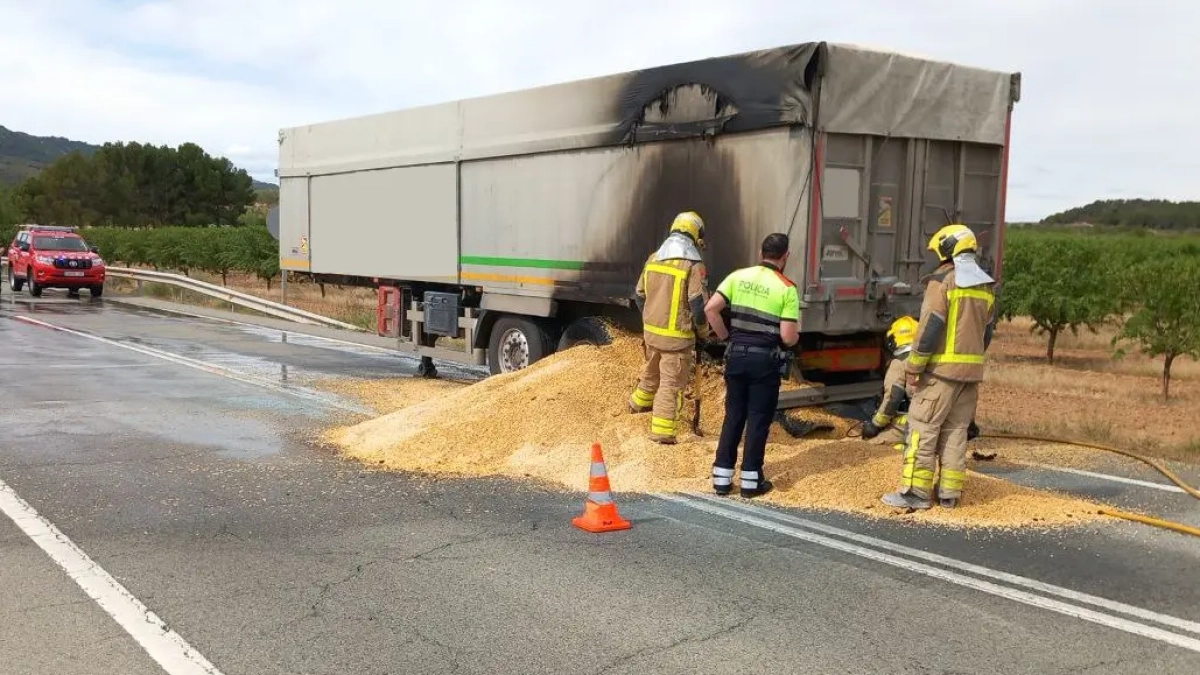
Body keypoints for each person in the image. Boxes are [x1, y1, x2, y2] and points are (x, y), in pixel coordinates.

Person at [882, 224, 996, 511]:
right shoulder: (985, 286)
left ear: (949, 248)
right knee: (956, 432)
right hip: (970, 376)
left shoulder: (944, 281)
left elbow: (930, 326)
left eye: (940, 252)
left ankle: (915, 493)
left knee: (921, 429)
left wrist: (914, 366)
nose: (939, 259)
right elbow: (987, 332)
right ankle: (949, 495)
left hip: (940, 373)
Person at [703, 233, 801, 498]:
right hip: (764, 361)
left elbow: (711, 308)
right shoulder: (787, 287)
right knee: (757, 419)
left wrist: (726, 337)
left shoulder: (738, 276)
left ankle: (721, 479)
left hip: (735, 355)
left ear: (761, 252)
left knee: (733, 416)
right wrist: (795, 339)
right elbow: (787, 336)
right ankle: (750, 481)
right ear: (785, 257)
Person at [628, 211, 712, 444]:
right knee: (670, 384)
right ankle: (663, 432)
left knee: (652, 372)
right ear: (695, 235)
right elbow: (697, 304)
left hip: (652, 333)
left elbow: (638, 295)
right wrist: (703, 332)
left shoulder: (654, 258)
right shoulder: (692, 264)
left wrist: (650, 319)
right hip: (677, 338)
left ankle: (637, 405)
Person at [861, 316, 919, 451]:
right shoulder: (932, 361)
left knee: (869, 447)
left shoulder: (899, 364)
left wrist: (875, 425)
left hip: (908, 426)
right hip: (936, 424)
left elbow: (893, 398)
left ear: (893, 340)